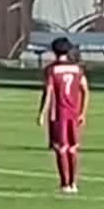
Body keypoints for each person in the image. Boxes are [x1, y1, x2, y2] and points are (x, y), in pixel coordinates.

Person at [38, 36, 89, 193]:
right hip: (73, 113)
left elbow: (48, 92)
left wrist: (41, 113)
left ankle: (64, 184)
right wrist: (82, 112)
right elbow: (85, 90)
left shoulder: (51, 70)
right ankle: (73, 183)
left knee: (61, 148)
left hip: (58, 113)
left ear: (53, 51)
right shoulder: (77, 69)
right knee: (72, 148)